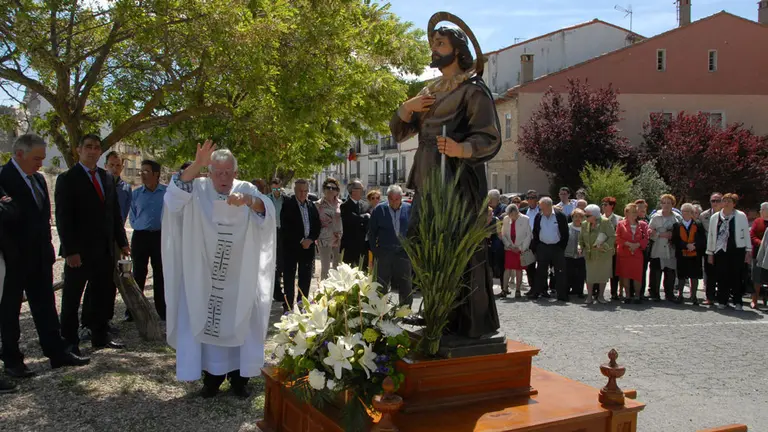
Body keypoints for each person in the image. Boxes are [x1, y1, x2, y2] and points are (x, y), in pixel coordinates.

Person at [389, 19, 501, 338]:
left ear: (457, 50)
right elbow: (400, 133)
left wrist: (461, 148)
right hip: (428, 176)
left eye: (440, 44)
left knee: (457, 247)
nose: (434, 49)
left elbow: (490, 137)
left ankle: (466, 320)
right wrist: (407, 107)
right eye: (433, 44)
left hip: (457, 182)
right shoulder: (430, 92)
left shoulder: (472, 90)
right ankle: (436, 309)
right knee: (425, 243)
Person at [162, 141, 275, 398]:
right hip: (205, 274)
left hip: (240, 276)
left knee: (240, 325)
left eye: (228, 173)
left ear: (236, 173)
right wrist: (197, 164)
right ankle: (212, 378)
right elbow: (174, 197)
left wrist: (249, 201)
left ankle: (239, 380)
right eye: (218, 172)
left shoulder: (245, 189)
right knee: (207, 323)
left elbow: (266, 211)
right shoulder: (198, 188)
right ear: (209, 172)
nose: (223, 178)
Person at [0, 135, 90, 380]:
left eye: (42, 158)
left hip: (40, 257)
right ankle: (12, 360)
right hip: (13, 258)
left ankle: (57, 353)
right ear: (19, 154)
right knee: (9, 311)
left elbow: (43, 218)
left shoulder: (39, 179)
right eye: (36, 159)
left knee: (46, 307)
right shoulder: (3, 177)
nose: (41, 164)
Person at [56, 134, 129, 352]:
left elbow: (114, 214)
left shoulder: (107, 178)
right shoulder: (67, 178)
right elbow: (63, 218)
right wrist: (70, 251)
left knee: (102, 294)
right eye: (88, 146)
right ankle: (69, 342)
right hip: (79, 251)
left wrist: (122, 242)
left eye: (97, 147)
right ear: (79, 149)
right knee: (72, 297)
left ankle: (100, 335)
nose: (92, 150)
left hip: (104, 250)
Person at [128, 160, 167, 320]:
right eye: (141, 171)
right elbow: (132, 215)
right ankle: (134, 311)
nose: (142, 174)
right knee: (138, 273)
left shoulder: (166, 193)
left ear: (156, 174)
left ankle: (162, 310)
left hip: (160, 236)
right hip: (140, 237)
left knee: (160, 273)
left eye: (146, 171)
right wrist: (140, 226)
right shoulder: (136, 194)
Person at [368, 185, 412, 306]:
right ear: (387, 198)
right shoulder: (379, 209)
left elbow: (414, 230)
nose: (394, 202)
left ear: (401, 198)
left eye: (396, 199)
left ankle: (405, 310)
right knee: (381, 284)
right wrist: (376, 251)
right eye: (391, 199)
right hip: (384, 253)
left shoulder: (409, 209)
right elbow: (372, 233)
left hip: (403, 253)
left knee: (405, 284)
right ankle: (380, 310)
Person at [706, 193, 751, 311]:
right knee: (722, 276)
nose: (726, 203)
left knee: (736, 276)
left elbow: (746, 233)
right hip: (720, 250)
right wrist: (710, 252)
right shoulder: (715, 217)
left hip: (737, 249)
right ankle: (722, 300)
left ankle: (738, 301)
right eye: (724, 201)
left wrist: (748, 250)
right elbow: (711, 235)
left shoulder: (741, 216)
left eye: (729, 201)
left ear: (734, 204)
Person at [281, 179, 320, 310]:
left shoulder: (311, 205)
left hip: (308, 248)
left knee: (305, 278)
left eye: (305, 191)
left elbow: (317, 225)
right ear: (295, 190)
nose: (303, 194)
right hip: (291, 248)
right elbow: (286, 227)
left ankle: (302, 305)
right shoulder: (288, 205)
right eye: (300, 191)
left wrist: (310, 239)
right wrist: (301, 240)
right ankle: (288, 307)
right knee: (289, 278)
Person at [528, 197, 569, 301]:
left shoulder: (560, 216)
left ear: (549, 206)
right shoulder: (539, 216)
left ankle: (562, 294)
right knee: (540, 271)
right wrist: (537, 246)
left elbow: (565, 233)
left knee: (560, 271)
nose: (541, 209)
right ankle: (538, 292)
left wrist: (561, 247)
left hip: (557, 247)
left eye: (542, 207)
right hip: (543, 247)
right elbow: (536, 232)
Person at [648, 194, 682, 302]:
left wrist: (673, 235)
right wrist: (661, 234)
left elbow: (681, 232)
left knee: (670, 272)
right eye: (663, 203)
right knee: (656, 271)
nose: (666, 205)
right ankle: (654, 294)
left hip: (671, 248)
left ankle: (669, 294)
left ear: (673, 204)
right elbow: (650, 232)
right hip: (658, 247)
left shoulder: (677, 217)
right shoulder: (655, 216)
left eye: (668, 203)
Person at [580, 204, 616, 305]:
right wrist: (580, 246)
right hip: (590, 254)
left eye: (588, 216)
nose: (585, 217)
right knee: (590, 276)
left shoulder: (605, 222)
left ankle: (601, 296)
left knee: (602, 276)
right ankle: (589, 296)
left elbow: (612, 237)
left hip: (603, 254)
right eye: (585, 215)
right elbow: (581, 239)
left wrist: (603, 246)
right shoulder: (584, 224)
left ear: (595, 215)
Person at [672, 203, 707, 305]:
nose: (685, 213)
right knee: (681, 276)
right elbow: (675, 240)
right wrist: (686, 245)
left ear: (692, 213)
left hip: (695, 255)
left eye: (688, 211)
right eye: (683, 211)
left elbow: (702, 239)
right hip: (682, 254)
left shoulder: (698, 225)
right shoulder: (677, 225)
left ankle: (693, 296)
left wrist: (694, 245)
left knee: (694, 276)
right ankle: (680, 295)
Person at [615, 203, 649, 304]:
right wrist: (628, 244)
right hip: (624, 253)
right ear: (626, 213)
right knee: (625, 275)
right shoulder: (621, 224)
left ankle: (637, 296)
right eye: (632, 212)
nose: (635, 214)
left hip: (637, 254)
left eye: (636, 212)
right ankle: (628, 295)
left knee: (637, 275)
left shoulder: (643, 224)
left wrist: (637, 245)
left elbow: (646, 238)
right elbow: (617, 237)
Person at [500, 204, 532, 298]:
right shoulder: (506, 219)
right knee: (507, 268)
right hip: (510, 248)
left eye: (513, 215)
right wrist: (509, 245)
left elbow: (528, 235)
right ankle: (504, 289)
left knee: (519, 269)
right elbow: (503, 234)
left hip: (520, 248)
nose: (511, 217)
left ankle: (518, 290)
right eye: (510, 215)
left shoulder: (525, 219)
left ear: (516, 212)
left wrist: (521, 248)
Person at [315, 178, 343, 280]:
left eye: (333, 188)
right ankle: (324, 288)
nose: (331, 190)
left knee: (337, 267)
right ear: (324, 189)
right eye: (328, 187)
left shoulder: (341, 204)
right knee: (325, 268)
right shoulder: (318, 204)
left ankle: (336, 289)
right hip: (324, 239)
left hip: (338, 238)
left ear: (337, 191)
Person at [699, 192, 723, 306]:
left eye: (718, 200)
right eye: (713, 201)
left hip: (723, 247)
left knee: (723, 273)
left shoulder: (727, 215)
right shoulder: (704, 215)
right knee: (709, 274)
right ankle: (710, 297)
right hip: (709, 248)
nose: (715, 203)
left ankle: (723, 297)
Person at [340, 180, 370, 269]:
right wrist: (365, 216)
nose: (363, 191)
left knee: (363, 271)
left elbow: (367, 222)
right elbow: (351, 219)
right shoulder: (344, 206)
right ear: (353, 191)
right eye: (361, 188)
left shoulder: (365, 205)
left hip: (363, 246)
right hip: (350, 247)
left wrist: (362, 218)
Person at [600, 197, 623, 300]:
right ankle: (598, 292)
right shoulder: (599, 218)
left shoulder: (619, 219)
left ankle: (614, 293)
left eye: (606, 204)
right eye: (602, 204)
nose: (603, 206)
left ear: (612, 206)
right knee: (601, 271)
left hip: (613, 249)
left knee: (614, 272)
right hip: (601, 249)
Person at [268, 179, 286, 302]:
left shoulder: (285, 200)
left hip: (282, 231)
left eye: (278, 188)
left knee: (281, 261)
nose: (276, 191)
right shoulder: (267, 199)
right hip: (271, 231)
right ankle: (275, 290)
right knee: (272, 261)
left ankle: (278, 287)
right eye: (274, 188)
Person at [749, 203, 768, 309]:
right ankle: (754, 300)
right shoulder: (757, 221)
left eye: (762, 209)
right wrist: (761, 243)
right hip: (757, 253)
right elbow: (752, 235)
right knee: (756, 278)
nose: (760, 211)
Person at [564, 209, 587, 298]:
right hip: (568, 254)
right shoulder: (567, 227)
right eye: (576, 216)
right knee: (568, 274)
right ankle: (566, 291)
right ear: (572, 217)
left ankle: (579, 291)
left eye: (580, 217)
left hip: (582, 256)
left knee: (581, 274)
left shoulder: (586, 228)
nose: (578, 218)